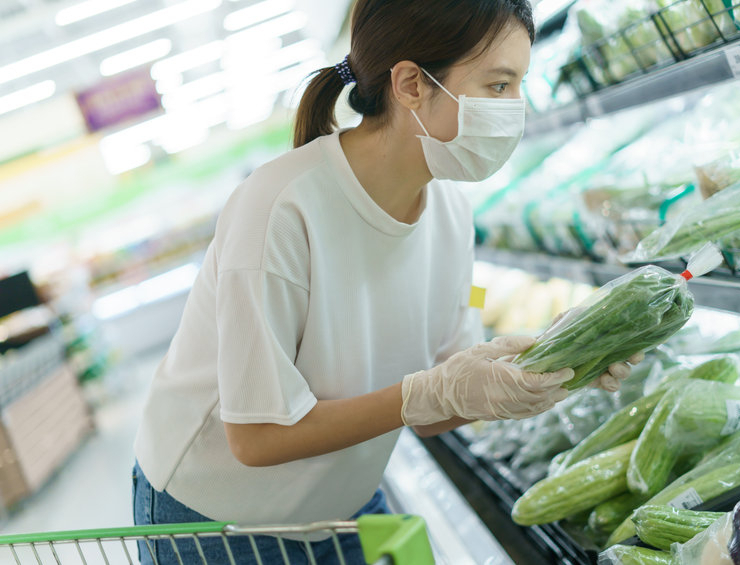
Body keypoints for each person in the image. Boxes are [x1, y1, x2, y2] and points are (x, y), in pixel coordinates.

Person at [131, 0, 642, 563]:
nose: (515, 109)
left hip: (336, 502)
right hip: (220, 524)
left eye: (519, 85)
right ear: (410, 85)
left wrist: (561, 362)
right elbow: (256, 438)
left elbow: (445, 399)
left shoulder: (451, 215)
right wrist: (423, 393)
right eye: (498, 86)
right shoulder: (281, 209)